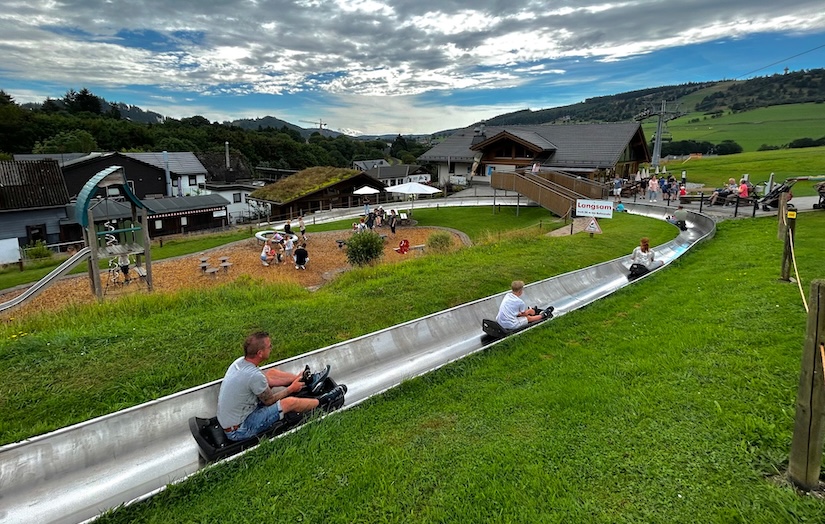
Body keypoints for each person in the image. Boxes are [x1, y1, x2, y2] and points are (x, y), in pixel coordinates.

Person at [216, 332, 346, 442]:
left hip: (240, 414)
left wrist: (296, 380)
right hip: (239, 429)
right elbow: (269, 401)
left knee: (271, 373)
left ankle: (308, 382)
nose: (271, 348)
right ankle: (324, 400)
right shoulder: (253, 376)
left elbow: (265, 381)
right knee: (289, 402)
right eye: (269, 346)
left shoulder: (239, 363)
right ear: (260, 353)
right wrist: (291, 389)